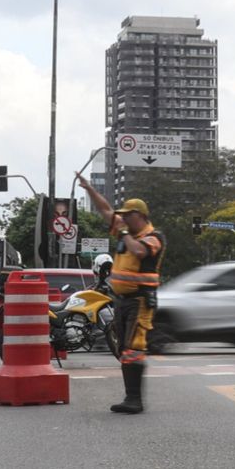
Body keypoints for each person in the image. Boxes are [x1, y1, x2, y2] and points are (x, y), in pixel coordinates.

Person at [75, 172, 165, 414]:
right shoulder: (126, 233)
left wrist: (124, 232)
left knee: (133, 348)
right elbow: (106, 211)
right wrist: (90, 189)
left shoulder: (153, 237)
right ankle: (129, 397)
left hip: (140, 301)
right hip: (122, 300)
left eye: (128, 215)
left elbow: (138, 253)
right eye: (123, 216)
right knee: (123, 348)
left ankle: (134, 399)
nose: (123, 219)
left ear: (142, 216)